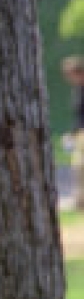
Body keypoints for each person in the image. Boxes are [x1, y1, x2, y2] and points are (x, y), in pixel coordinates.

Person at [62, 55, 84, 206]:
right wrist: (72, 133)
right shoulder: (77, 90)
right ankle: (80, 199)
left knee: (80, 165)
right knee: (78, 166)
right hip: (80, 133)